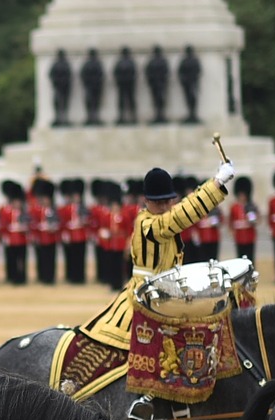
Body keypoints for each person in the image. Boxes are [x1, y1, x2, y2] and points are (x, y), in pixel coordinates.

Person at [80, 160, 235, 350]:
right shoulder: (147, 224)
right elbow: (178, 216)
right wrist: (216, 183)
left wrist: (215, 182)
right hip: (146, 297)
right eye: (158, 202)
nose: (163, 207)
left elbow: (182, 207)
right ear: (146, 201)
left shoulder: (163, 216)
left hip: (167, 292)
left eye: (167, 201)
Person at [80, 48, 105, 125]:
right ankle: (91, 117)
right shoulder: (94, 64)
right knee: (92, 102)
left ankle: (93, 117)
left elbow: (101, 75)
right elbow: (83, 75)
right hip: (92, 87)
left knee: (93, 102)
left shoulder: (95, 64)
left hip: (93, 87)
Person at [146, 46, 170, 124]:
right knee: (156, 100)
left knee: (161, 99)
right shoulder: (152, 62)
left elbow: (166, 72)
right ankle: (157, 114)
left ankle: (161, 114)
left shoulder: (163, 61)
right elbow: (148, 72)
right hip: (155, 84)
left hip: (161, 84)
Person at [178, 46, 201, 124]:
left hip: (193, 82)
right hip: (187, 83)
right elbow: (180, 72)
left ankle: (193, 114)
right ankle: (190, 114)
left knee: (192, 98)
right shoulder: (184, 61)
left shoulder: (194, 60)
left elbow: (198, 71)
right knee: (188, 98)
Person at [114, 47, 137, 125]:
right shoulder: (129, 62)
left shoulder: (122, 63)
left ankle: (130, 116)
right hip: (125, 85)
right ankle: (126, 116)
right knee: (125, 101)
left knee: (128, 100)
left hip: (126, 85)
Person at [49, 49, 73, 126]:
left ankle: (63, 118)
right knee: (58, 103)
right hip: (58, 87)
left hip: (64, 87)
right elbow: (51, 75)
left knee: (63, 103)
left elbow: (69, 75)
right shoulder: (57, 64)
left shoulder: (65, 64)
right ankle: (58, 118)